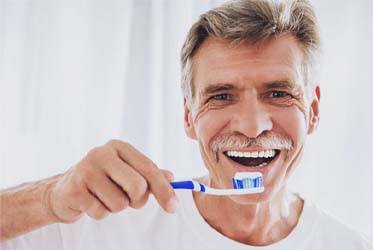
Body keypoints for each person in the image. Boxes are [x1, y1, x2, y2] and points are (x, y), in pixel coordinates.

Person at [1, 0, 372, 249]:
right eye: (221, 96)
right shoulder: (105, 223)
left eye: (278, 93)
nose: (253, 126)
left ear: (314, 110)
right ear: (188, 116)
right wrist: (46, 200)